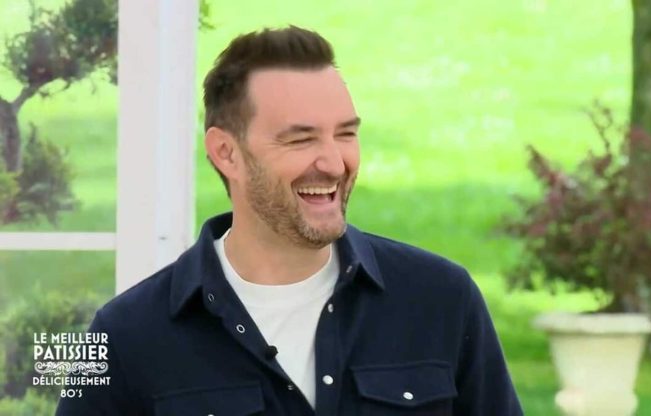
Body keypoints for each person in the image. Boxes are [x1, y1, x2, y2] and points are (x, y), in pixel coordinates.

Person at [56, 25, 522, 415]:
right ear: (226, 153)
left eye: (345, 134)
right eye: (301, 140)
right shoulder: (124, 335)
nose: (335, 163)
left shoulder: (442, 300)